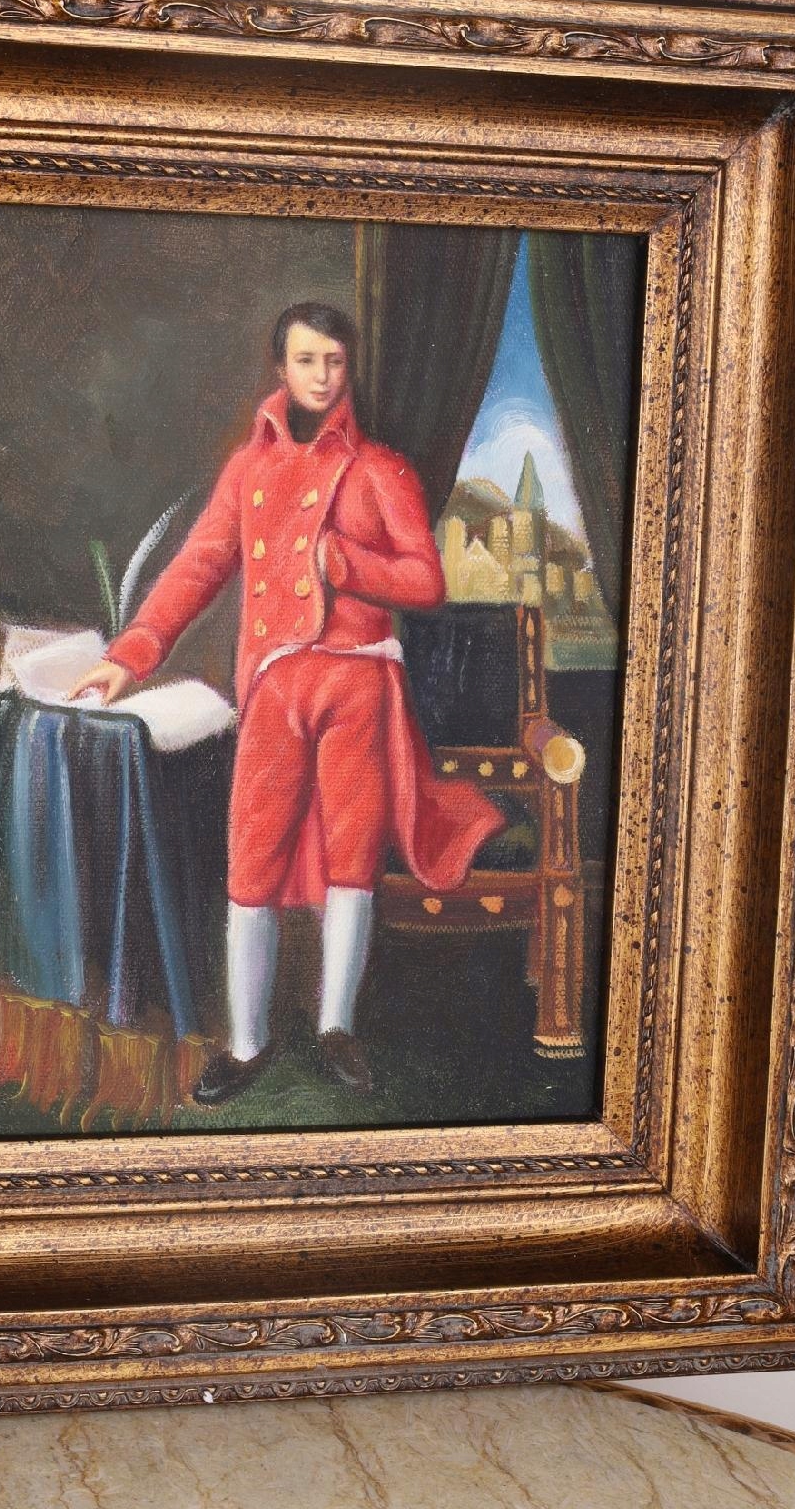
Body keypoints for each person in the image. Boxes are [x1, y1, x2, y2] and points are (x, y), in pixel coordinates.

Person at [73, 302, 501, 1104]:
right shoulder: (248, 469)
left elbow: (425, 580)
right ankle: (245, 1042)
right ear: (281, 367)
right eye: (307, 360)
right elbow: (198, 566)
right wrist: (130, 656)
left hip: (358, 683)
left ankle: (336, 1026)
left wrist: (345, 563)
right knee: (252, 860)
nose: (322, 376)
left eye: (334, 361)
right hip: (273, 686)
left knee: (351, 857)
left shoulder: (382, 470)